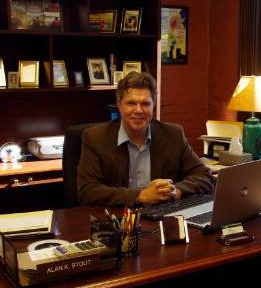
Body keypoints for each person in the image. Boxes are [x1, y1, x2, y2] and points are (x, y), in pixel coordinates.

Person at [77, 71, 213, 206]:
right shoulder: (95, 138)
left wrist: (176, 191)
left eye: (145, 104)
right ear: (119, 105)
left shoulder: (173, 135)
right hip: (118, 220)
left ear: (153, 105)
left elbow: (204, 176)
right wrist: (140, 196)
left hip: (161, 219)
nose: (138, 110)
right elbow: (87, 191)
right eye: (131, 103)